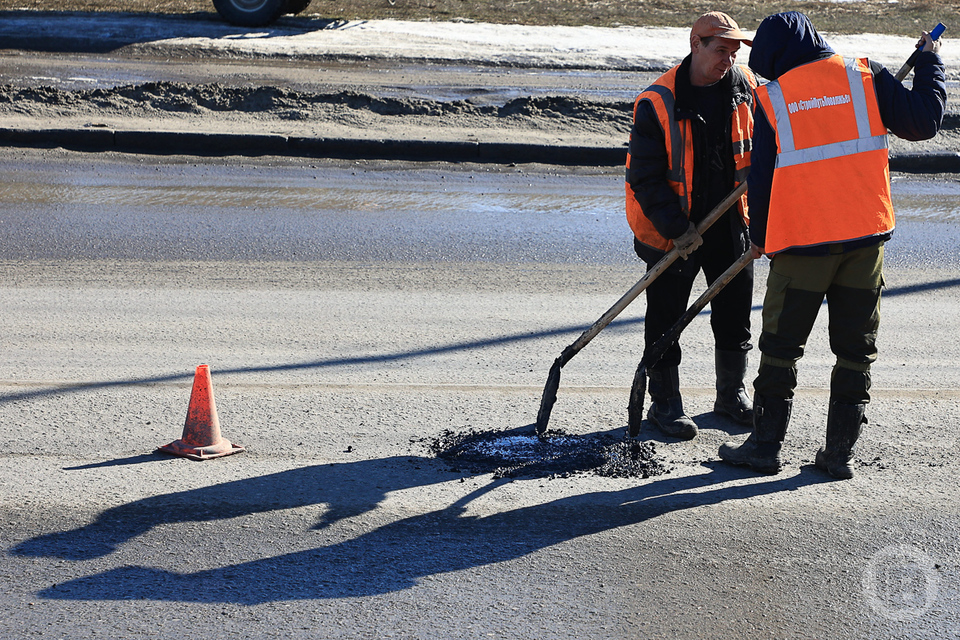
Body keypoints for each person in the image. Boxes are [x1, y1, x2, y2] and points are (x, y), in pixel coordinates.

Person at [719, 12, 945, 478]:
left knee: (781, 347)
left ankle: (764, 448)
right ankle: (838, 454)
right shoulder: (867, 76)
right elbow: (923, 122)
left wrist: (759, 238)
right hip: (864, 243)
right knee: (855, 350)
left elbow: (762, 178)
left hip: (801, 246)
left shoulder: (774, 97)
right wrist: (930, 64)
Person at [625, 11, 758, 440]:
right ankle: (664, 405)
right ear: (694, 44)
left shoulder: (747, 89)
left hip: (730, 221)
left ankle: (730, 395)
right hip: (672, 230)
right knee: (665, 317)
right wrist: (677, 229)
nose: (728, 60)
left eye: (734, 52)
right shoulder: (657, 101)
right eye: (721, 50)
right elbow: (644, 177)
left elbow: (771, 145)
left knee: (735, 313)